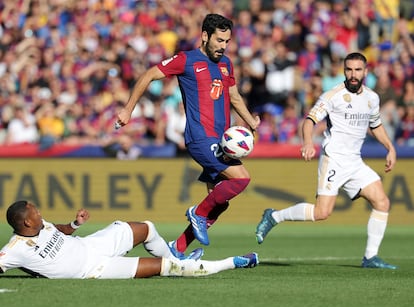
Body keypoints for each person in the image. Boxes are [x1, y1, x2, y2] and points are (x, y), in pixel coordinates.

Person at [116, 14, 260, 256]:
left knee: (219, 202)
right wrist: (129, 109)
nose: (224, 46)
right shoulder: (187, 60)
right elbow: (149, 74)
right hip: (201, 138)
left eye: (227, 41)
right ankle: (197, 213)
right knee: (241, 179)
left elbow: (234, 97)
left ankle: (176, 249)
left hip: (221, 142)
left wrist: (250, 121)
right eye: (219, 40)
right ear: (205, 36)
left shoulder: (226, 64)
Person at [255, 52, 397, 270]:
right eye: (349, 69)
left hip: (355, 162)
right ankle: (273, 216)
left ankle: (370, 257)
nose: (353, 74)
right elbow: (310, 120)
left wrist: (390, 147)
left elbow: (375, 125)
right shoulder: (332, 96)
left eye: (357, 70)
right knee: (322, 213)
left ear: (365, 72)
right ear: (344, 71)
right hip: (334, 160)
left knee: (382, 202)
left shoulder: (372, 98)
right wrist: (308, 143)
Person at [0, 200, 258, 279]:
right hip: (93, 269)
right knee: (168, 270)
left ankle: (175, 253)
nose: (40, 213)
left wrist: (74, 225)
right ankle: (233, 262)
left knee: (145, 227)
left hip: (91, 245)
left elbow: (56, 229)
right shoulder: (13, 250)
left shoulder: (41, 224)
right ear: (26, 222)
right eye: (35, 212)